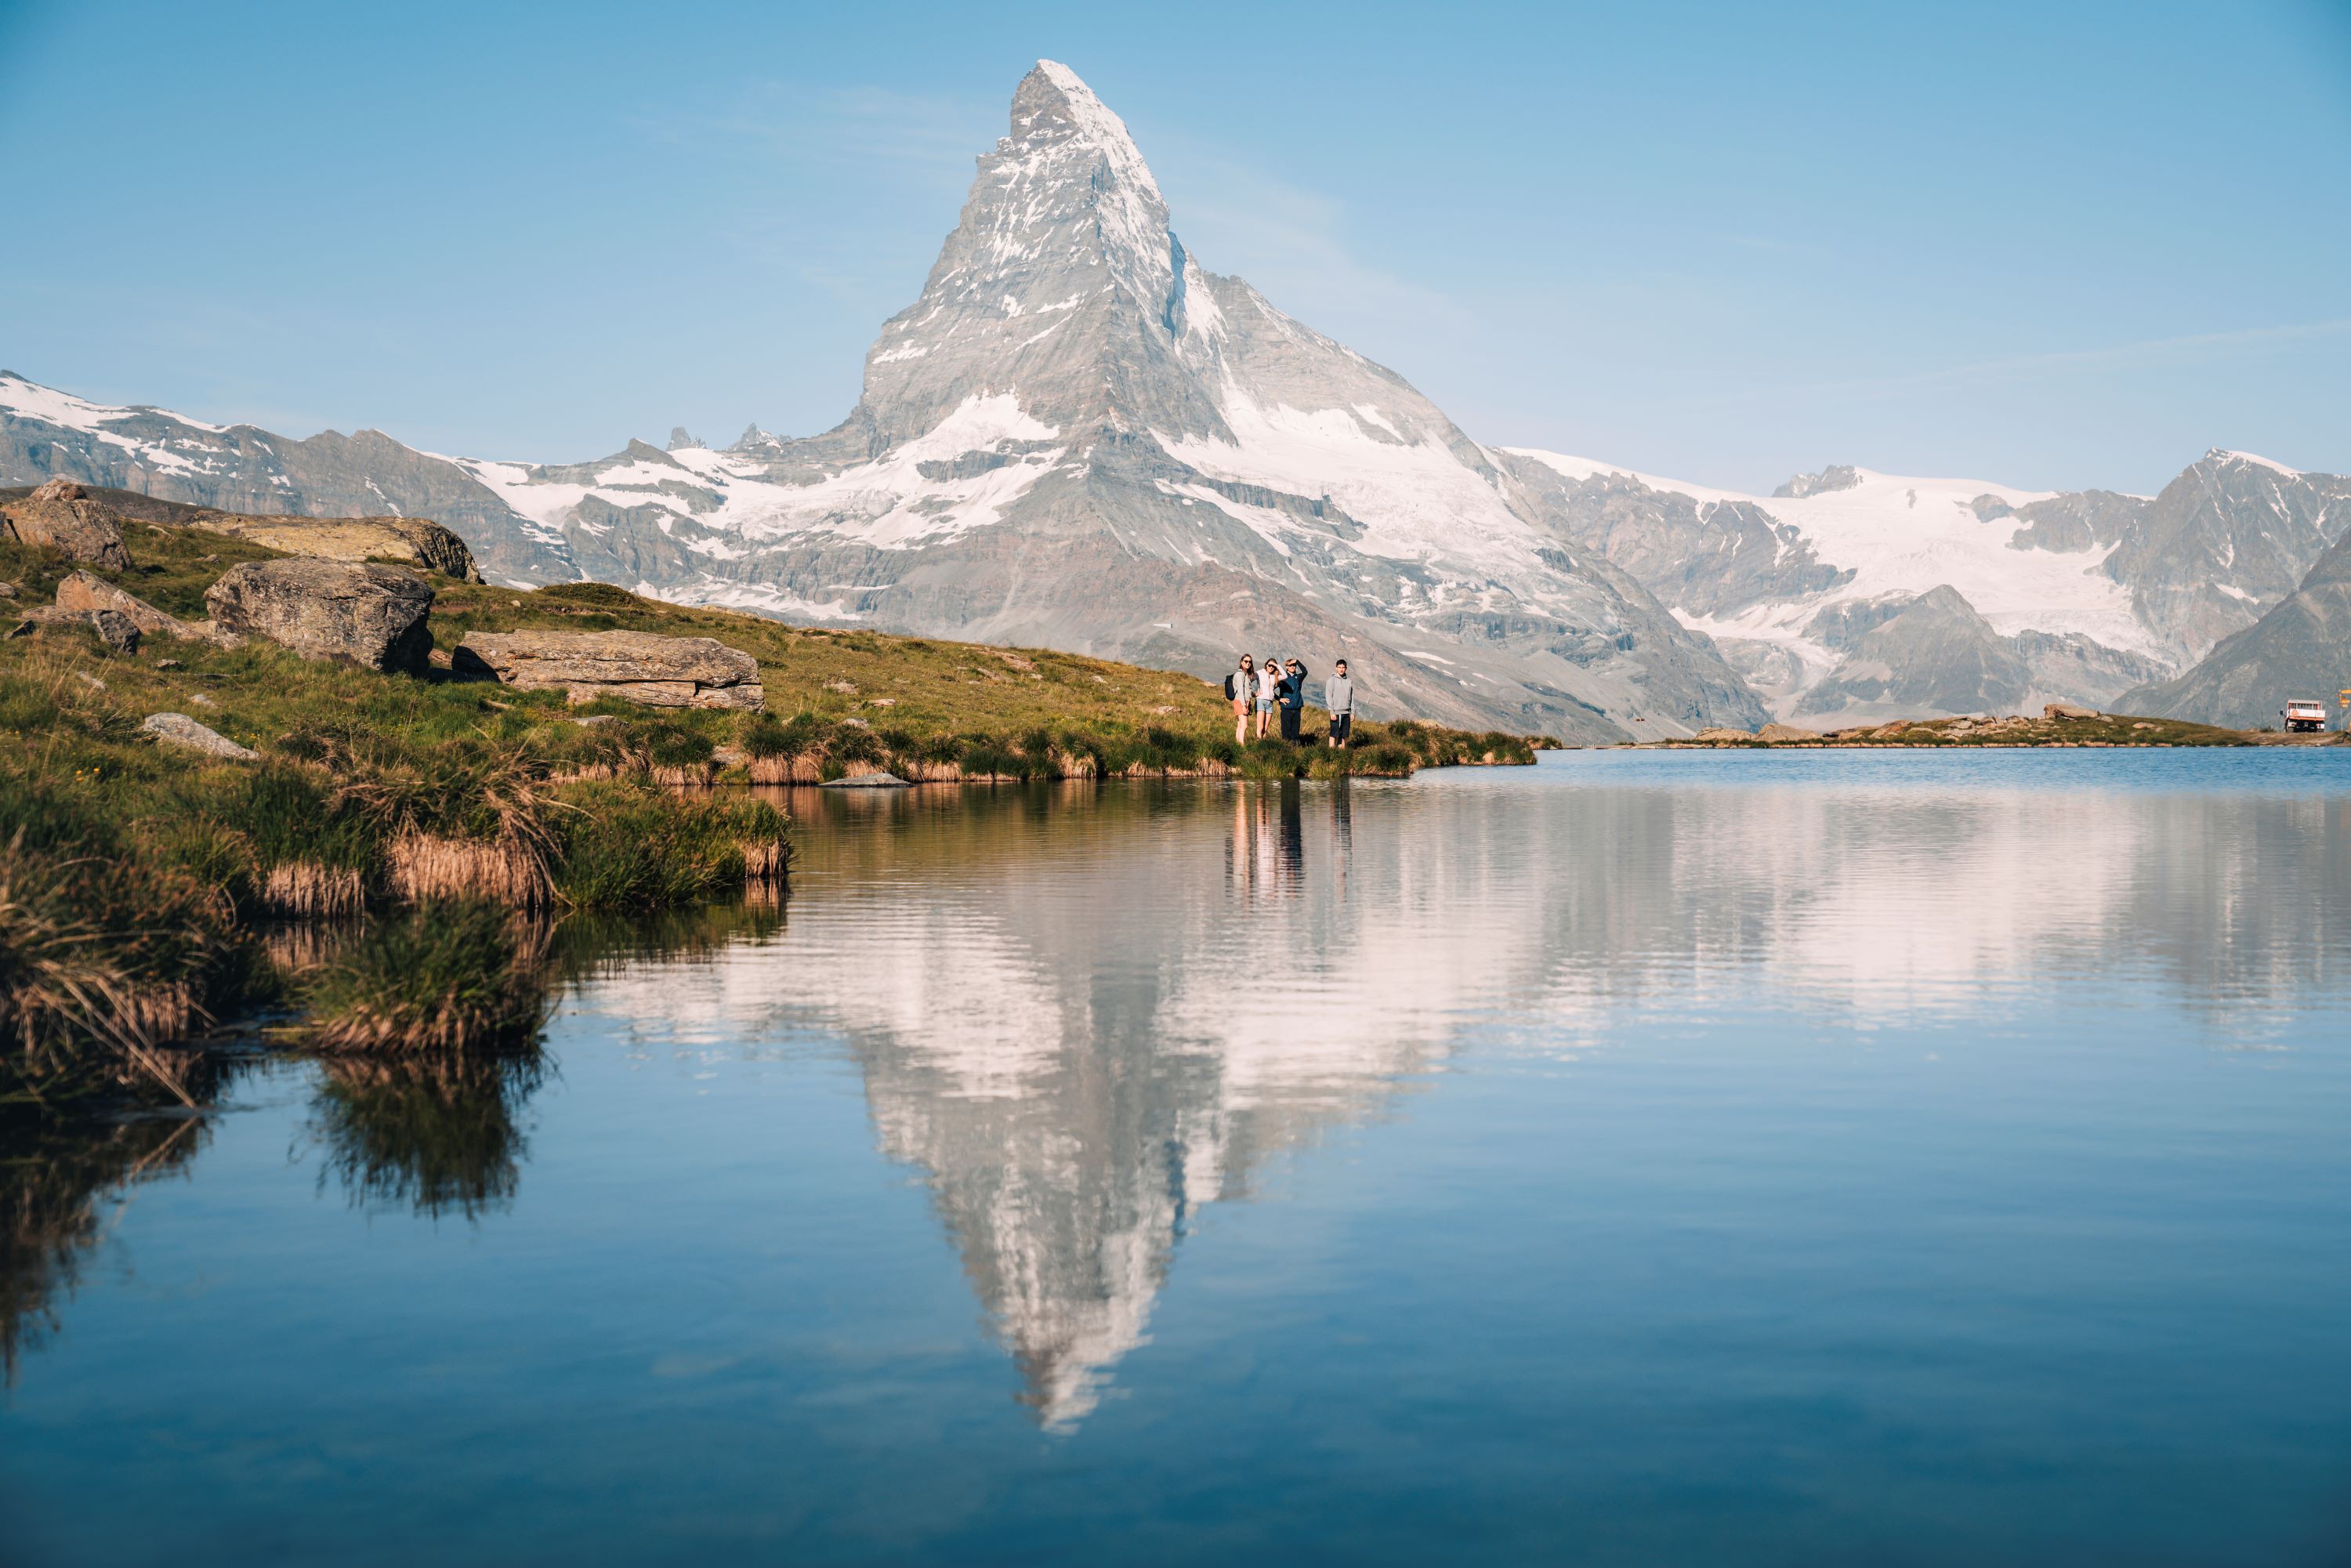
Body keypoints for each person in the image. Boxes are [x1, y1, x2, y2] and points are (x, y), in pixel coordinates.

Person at [1225, 654, 1255, 746]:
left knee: (1240, 725)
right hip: (1241, 702)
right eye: (1246, 661)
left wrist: (1254, 694)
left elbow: (1246, 690)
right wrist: (1244, 706)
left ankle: (1238, 744)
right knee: (1244, 726)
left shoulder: (1245, 674)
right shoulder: (1240, 674)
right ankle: (1242, 746)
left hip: (1244, 701)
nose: (1248, 663)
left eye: (1250, 662)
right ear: (1241, 662)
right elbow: (1241, 692)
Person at [1324, 658, 1354, 748]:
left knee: (1344, 735)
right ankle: (1331, 754)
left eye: (1343, 667)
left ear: (1346, 668)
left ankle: (1341, 756)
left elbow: (1352, 697)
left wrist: (1352, 712)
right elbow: (1328, 696)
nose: (1341, 669)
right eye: (1339, 667)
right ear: (1336, 668)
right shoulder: (1331, 680)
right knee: (1334, 733)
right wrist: (1332, 712)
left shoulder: (1349, 681)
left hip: (1346, 712)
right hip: (1336, 712)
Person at [1278, 658, 1306, 742]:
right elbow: (1271, 688)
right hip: (1286, 709)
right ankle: (1285, 750)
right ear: (1287, 667)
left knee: (1295, 733)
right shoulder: (1282, 678)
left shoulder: (1298, 677)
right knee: (1286, 733)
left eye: (1294, 665)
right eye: (1290, 665)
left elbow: (1305, 671)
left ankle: (1295, 751)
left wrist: (1297, 661)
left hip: (1297, 708)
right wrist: (1279, 699)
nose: (1293, 667)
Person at [1255, 651, 1281, 740]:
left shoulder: (1275, 677)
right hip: (1261, 700)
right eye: (1270, 665)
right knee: (1260, 726)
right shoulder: (1260, 673)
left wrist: (1277, 666)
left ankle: (1264, 745)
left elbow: (1285, 676)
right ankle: (1258, 743)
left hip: (1270, 702)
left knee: (1265, 728)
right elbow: (1249, 680)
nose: (1271, 667)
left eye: (1273, 666)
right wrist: (1253, 693)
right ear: (1266, 665)